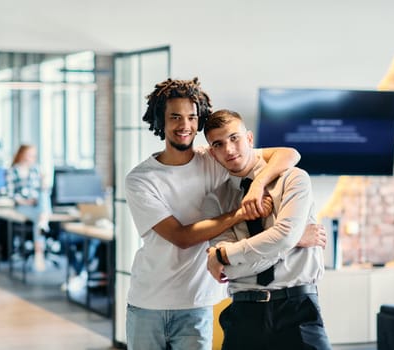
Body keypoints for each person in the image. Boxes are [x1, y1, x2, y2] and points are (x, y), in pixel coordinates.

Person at [124, 77, 313, 350]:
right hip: (149, 302)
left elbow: (288, 154)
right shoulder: (141, 179)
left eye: (191, 117)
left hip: (197, 301)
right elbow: (181, 236)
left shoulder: (213, 157)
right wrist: (240, 213)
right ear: (160, 120)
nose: (185, 125)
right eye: (175, 117)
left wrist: (257, 186)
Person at [203, 109, 331, 350]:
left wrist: (224, 254)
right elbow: (232, 269)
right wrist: (293, 241)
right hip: (244, 313)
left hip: (298, 308)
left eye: (234, 138)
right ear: (212, 152)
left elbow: (282, 237)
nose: (229, 149)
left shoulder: (294, 179)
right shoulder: (215, 200)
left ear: (249, 138)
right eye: (218, 144)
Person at [6, 144, 51, 272]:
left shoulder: (36, 169)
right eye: (29, 154)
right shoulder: (13, 170)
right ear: (22, 154)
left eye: (33, 155)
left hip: (37, 204)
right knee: (40, 216)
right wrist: (25, 201)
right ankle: (39, 251)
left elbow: (43, 190)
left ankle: (43, 220)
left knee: (43, 194)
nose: (31, 158)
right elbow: (10, 194)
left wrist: (44, 180)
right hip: (22, 205)